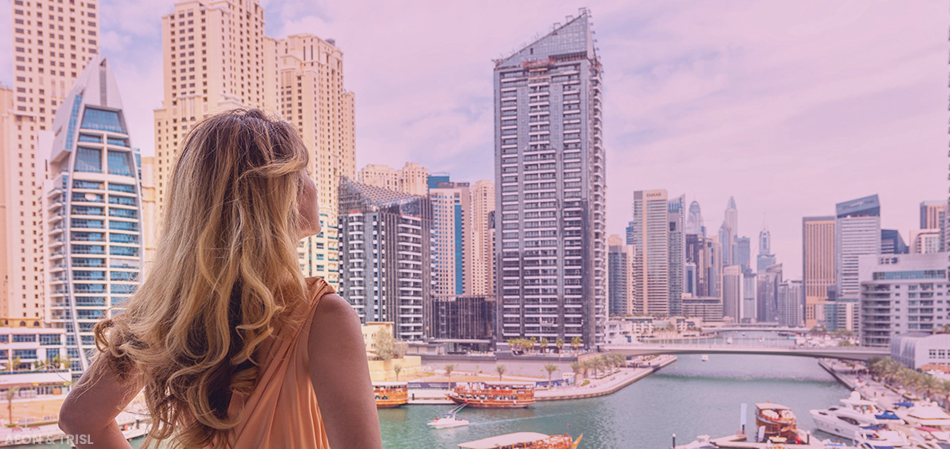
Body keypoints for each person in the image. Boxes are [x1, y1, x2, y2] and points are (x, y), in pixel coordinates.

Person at [58, 109, 382, 449]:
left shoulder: (169, 315)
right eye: (305, 173)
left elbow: (78, 420)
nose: (313, 185)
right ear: (282, 195)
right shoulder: (324, 317)